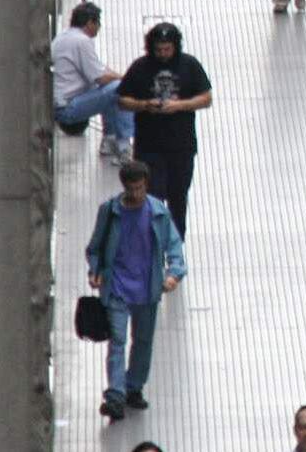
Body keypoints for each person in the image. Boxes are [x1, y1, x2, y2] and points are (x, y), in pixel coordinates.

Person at [85, 160, 187, 421]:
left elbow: (174, 247)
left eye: (140, 188)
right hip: (117, 288)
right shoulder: (109, 212)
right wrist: (95, 270)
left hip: (147, 290)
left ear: (146, 185)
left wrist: (174, 274)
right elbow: (95, 247)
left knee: (142, 342)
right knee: (117, 341)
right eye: (131, 189)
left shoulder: (158, 214)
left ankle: (134, 386)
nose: (136, 194)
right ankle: (116, 394)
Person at [117, 23, 214, 236]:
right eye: (158, 50)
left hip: (182, 145)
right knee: (151, 196)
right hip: (149, 146)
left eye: (167, 49)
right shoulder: (140, 67)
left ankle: (176, 240)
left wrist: (180, 106)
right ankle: (153, 238)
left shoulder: (189, 65)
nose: (163, 54)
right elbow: (122, 99)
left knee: (178, 195)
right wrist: (144, 105)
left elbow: (206, 97)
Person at [52, 1, 132, 157]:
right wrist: (127, 78)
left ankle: (109, 140)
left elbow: (100, 70)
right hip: (67, 108)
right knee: (120, 88)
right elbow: (100, 78)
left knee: (111, 90)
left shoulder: (64, 37)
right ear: (90, 23)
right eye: (98, 23)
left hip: (61, 103)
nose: (99, 27)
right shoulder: (82, 41)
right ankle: (123, 143)